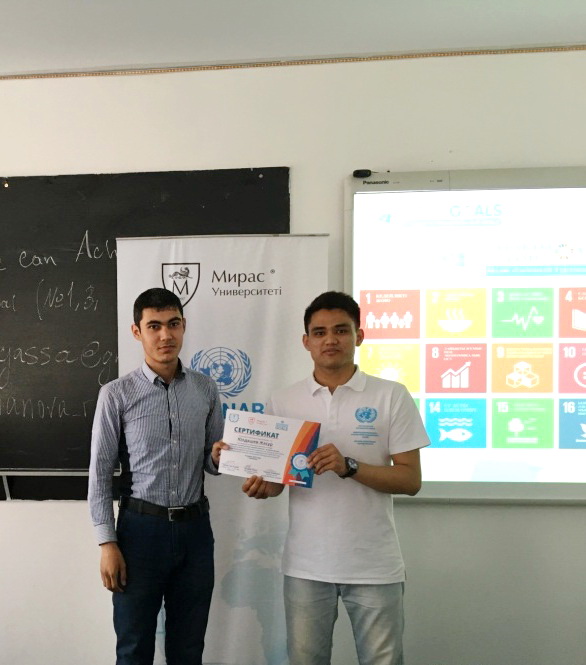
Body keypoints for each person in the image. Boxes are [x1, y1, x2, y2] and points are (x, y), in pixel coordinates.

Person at [242, 291, 430, 665]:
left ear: (359, 336)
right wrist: (261, 486)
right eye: (320, 332)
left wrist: (350, 467)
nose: (330, 340)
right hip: (306, 566)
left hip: (375, 566)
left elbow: (410, 480)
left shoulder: (391, 396)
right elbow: (279, 482)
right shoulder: (284, 401)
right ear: (306, 341)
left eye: (341, 330)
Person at [88, 287, 225, 665]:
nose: (166, 335)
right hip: (139, 533)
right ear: (137, 332)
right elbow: (100, 474)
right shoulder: (116, 394)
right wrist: (107, 543)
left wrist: (218, 457)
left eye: (173, 324)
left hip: (196, 533)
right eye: (154, 326)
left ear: (183, 326)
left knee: (189, 648)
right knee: (133, 648)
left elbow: (213, 463)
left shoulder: (206, 389)